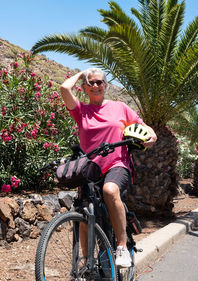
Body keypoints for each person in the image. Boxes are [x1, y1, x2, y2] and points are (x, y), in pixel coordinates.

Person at [60, 68, 157, 268]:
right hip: (90, 168)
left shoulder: (119, 107)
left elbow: (143, 126)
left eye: (99, 82)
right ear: (85, 88)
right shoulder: (81, 111)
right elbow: (64, 88)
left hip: (117, 164)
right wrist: (81, 74)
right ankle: (88, 264)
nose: (96, 86)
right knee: (85, 212)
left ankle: (121, 246)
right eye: (91, 83)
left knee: (110, 191)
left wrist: (152, 135)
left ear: (105, 86)